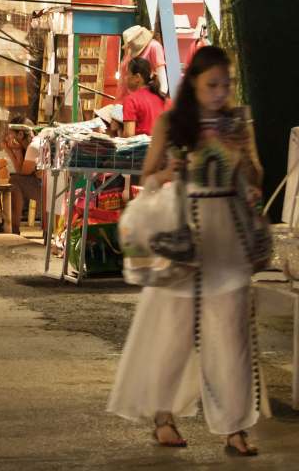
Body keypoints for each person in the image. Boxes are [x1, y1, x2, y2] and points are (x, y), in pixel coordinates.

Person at [108, 46, 269, 456]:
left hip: (228, 237)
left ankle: (235, 427)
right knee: (173, 333)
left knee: (232, 334)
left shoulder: (237, 123)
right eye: (212, 84)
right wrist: (167, 172)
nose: (220, 92)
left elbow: (255, 174)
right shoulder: (170, 122)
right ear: (193, 83)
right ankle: (164, 416)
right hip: (182, 235)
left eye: (226, 84)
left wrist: (247, 168)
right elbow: (148, 176)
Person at [1, 116, 44, 232]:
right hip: (44, 186)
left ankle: (14, 227)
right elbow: (22, 171)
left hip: (47, 190)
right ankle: (13, 226)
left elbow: (22, 172)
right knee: (16, 180)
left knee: (14, 181)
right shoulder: (34, 143)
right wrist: (18, 150)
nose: (8, 137)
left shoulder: (33, 146)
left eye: (10, 134)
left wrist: (11, 151)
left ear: (20, 135)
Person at [122, 57, 168, 138]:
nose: (125, 78)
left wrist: (119, 132)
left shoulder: (131, 100)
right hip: (163, 148)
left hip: (142, 150)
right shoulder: (163, 98)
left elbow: (129, 135)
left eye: (127, 74)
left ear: (137, 77)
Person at [119, 25, 168, 99]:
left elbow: (163, 82)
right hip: (132, 99)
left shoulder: (154, 47)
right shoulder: (131, 52)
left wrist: (157, 102)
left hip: (147, 99)